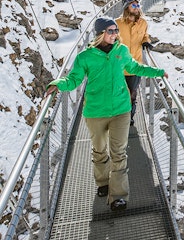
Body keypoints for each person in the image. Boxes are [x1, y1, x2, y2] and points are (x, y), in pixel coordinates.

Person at [46, 16, 168, 212]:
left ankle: (118, 196)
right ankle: (103, 183)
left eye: (116, 30)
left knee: (119, 153)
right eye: (110, 31)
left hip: (121, 110)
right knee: (99, 151)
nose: (115, 34)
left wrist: (157, 72)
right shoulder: (85, 57)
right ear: (100, 33)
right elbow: (74, 80)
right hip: (95, 112)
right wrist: (58, 84)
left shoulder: (122, 51)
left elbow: (135, 67)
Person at [116, 0, 153, 126]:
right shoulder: (117, 23)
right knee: (120, 93)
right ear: (127, 7)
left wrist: (146, 42)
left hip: (135, 64)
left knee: (132, 93)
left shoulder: (143, 23)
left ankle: (129, 117)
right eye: (134, 5)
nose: (137, 8)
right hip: (119, 65)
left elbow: (145, 35)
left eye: (138, 5)